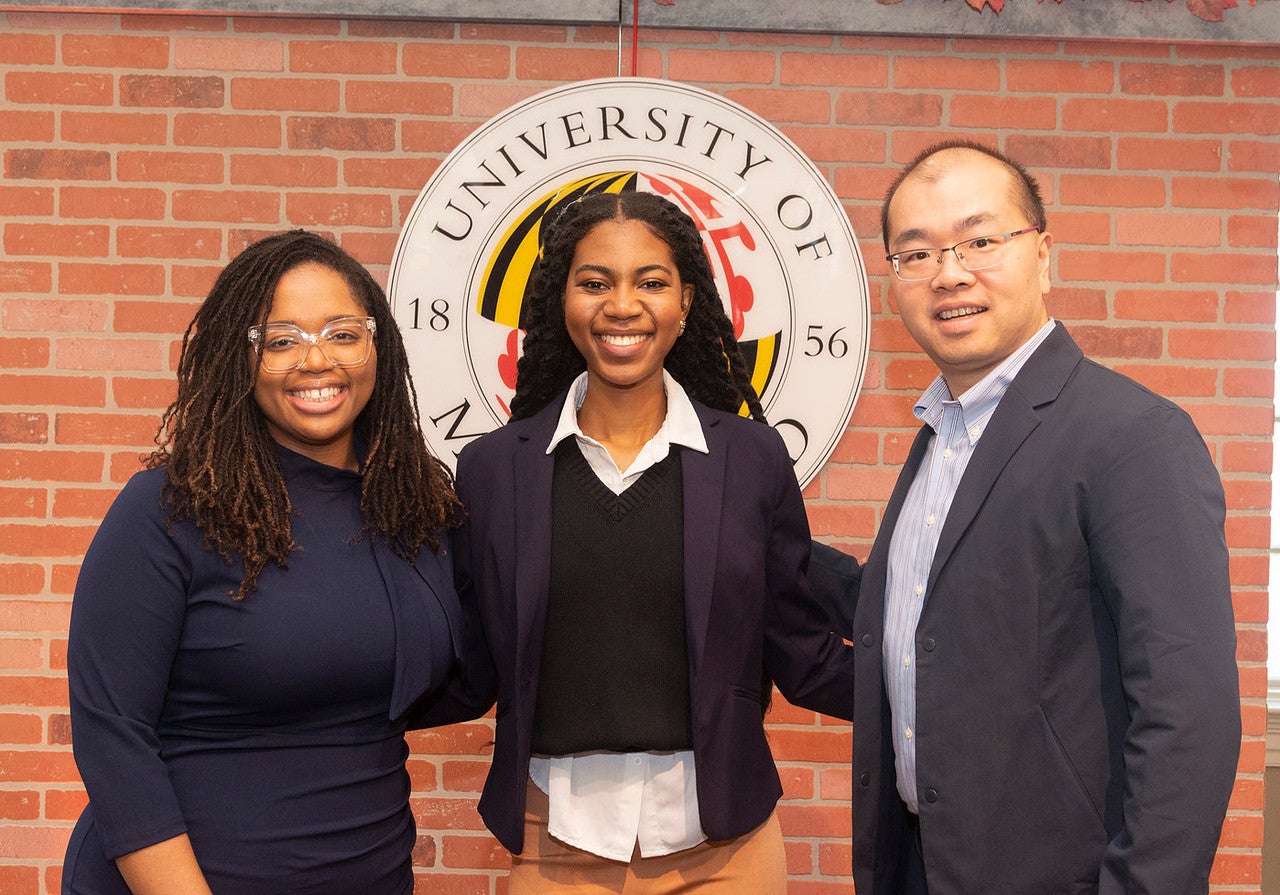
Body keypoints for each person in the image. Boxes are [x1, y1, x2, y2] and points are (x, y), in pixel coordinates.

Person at [809, 141, 1241, 894]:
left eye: (979, 240)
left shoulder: (1132, 437)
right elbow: (928, 628)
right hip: (921, 866)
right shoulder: (941, 437)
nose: (949, 272)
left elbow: (1190, 712)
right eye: (915, 253)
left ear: (1042, 254)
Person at [451, 189, 854, 894]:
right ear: (562, 300)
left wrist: (942, 691)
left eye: (651, 281)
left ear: (686, 302)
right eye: (595, 282)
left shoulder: (751, 459)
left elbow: (801, 647)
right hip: (556, 847)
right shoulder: (492, 471)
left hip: (726, 849)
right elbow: (468, 657)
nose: (622, 305)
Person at [63, 230, 487, 894]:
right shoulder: (168, 510)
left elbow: (447, 675)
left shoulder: (413, 511)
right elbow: (112, 738)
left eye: (342, 333)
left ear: (377, 345)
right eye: (281, 340)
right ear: (242, 358)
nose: (316, 361)